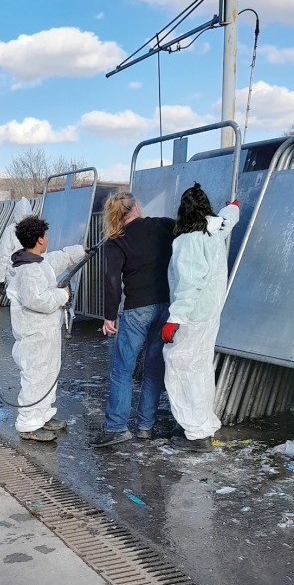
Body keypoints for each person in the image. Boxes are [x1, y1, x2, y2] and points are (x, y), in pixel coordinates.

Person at [92, 191, 175, 447]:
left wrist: (109, 316)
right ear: (136, 207)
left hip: (137, 309)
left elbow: (113, 280)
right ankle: (145, 427)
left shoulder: (116, 241)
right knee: (153, 368)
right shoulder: (162, 224)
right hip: (165, 306)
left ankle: (116, 427)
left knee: (123, 369)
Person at [162, 183, 239, 450]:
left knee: (181, 369)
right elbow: (228, 220)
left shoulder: (189, 241)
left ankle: (195, 434)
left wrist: (174, 319)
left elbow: (189, 284)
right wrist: (233, 208)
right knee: (201, 369)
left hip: (192, 316)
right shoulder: (214, 229)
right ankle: (202, 424)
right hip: (210, 313)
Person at [5, 215, 85, 443]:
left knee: (49, 375)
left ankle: (44, 416)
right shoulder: (27, 270)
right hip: (34, 337)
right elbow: (37, 300)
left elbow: (59, 259)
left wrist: (82, 250)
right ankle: (29, 424)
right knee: (35, 378)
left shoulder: (38, 262)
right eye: (46, 235)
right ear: (40, 239)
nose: (47, 239)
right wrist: (63, 295)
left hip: (47, 335)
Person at [0, 196, 32, 296]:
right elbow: (43, 254)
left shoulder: (10, 230)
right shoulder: (35, 229)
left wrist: (0, 279)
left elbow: (3, 256)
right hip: (32, 276)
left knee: (17, 307)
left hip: (15, 276)